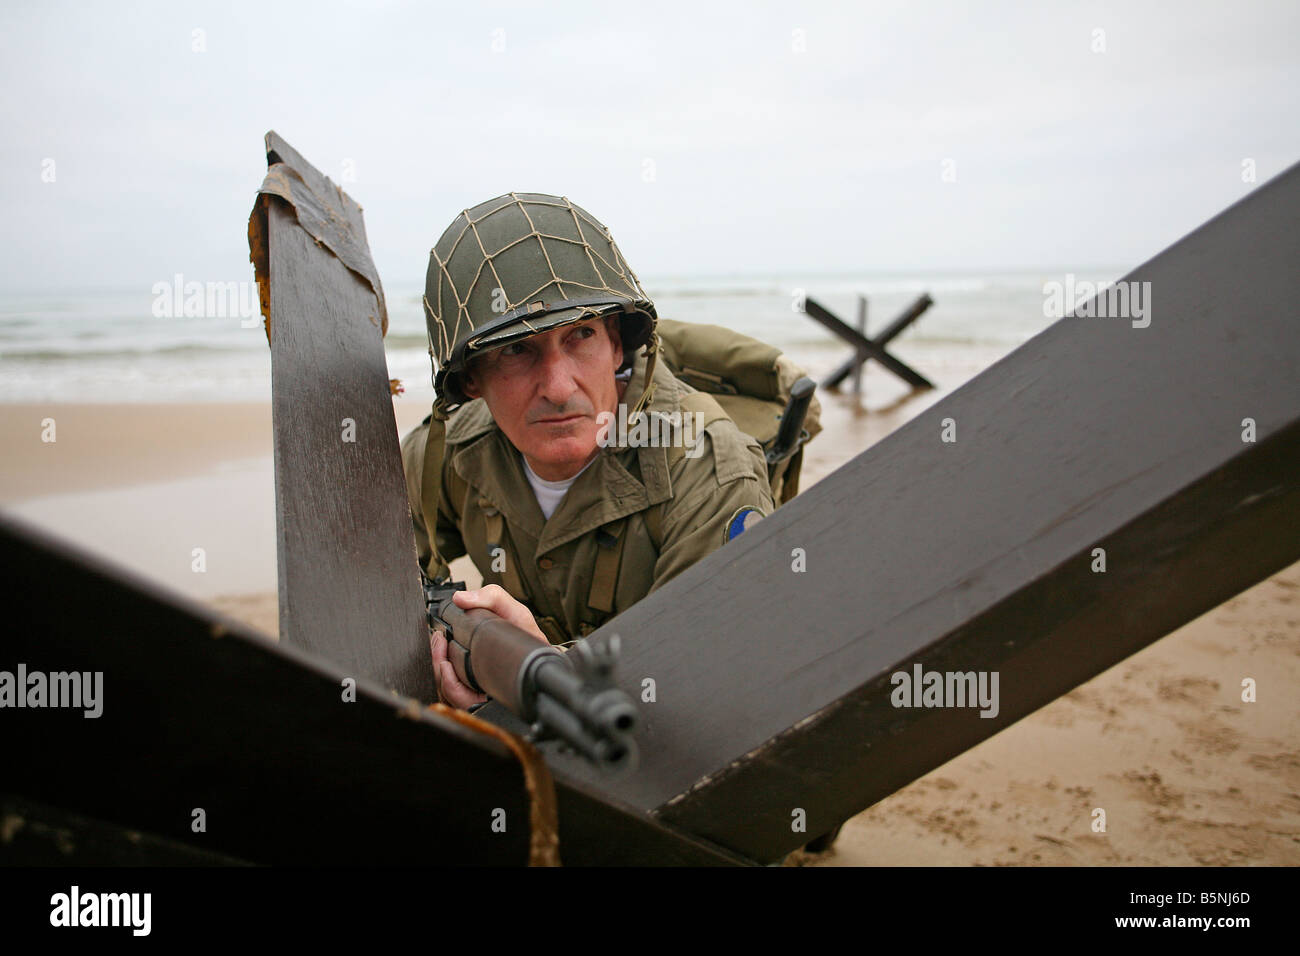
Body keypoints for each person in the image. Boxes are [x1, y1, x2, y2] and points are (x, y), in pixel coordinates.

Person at [400, 192, 775, 709]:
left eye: (581, 336)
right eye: (516, 350)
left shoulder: (706, 467)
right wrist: (433, 647)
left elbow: (712, 666)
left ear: (617, 345)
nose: (558, 386)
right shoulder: (444, 453)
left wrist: (549, 662)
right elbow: (369, 579)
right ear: (470, 381)